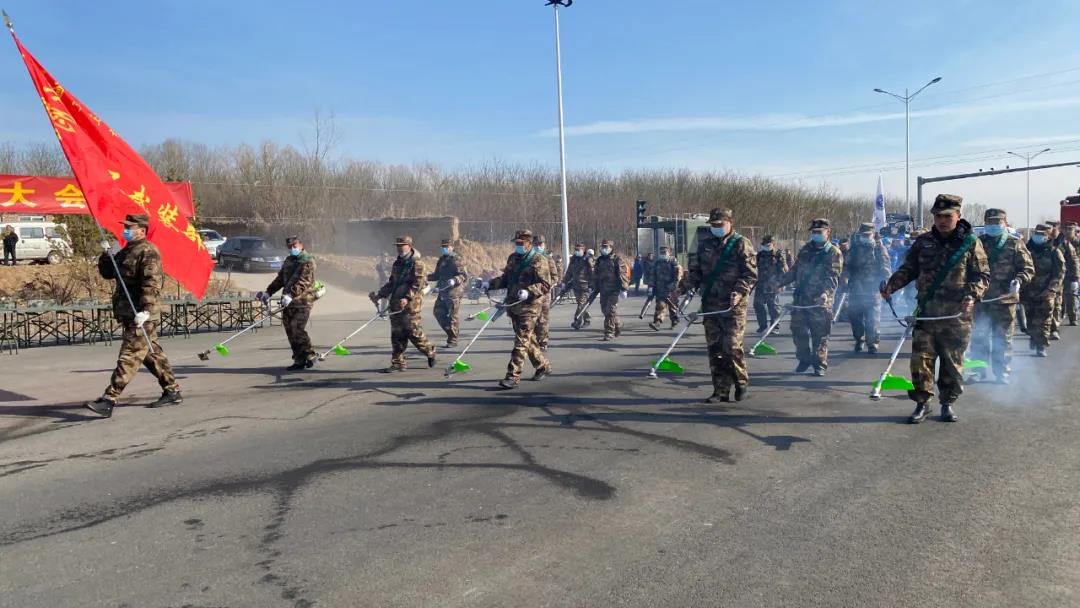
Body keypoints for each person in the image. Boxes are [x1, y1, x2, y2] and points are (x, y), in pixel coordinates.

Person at [881, 194, 989, 424]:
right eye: (938, 216)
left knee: (952, 365)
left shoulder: (970, 243)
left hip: (956, 316)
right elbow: (909, 269)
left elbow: (981, 275)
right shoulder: (924, 242)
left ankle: (947, 403)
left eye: (947, 216)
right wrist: (891, 285)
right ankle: (922, 403)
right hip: (926, 314)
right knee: (920, 361)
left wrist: (972, 295)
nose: (942, 220)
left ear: (958, 216)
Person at [84, 214, 181, 417]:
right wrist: (106, 254)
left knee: (129, 355)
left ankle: (109, 398)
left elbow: (151, 283)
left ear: (141, 230)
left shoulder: (148, 251)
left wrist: (146, 310)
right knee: (151, 354)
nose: (125, 230)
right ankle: (172, 389)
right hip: (129, 312)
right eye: (125, 227)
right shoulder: (126, 250)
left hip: (142, 313)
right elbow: (108, 273)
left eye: (130, 227)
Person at [682, 207, 757, 402]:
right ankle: (720, 390)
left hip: (733, 306)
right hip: (711, 304)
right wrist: (681, 289)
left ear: (729, 223)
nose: (716, 227)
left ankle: (741, 381)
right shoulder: (705, 244)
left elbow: (750, 274)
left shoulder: (741, 243)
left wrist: (739, 292)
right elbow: (695, 272)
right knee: (715, 349)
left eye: (719, 224)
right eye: (713, 225)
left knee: (731, 346)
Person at [969, 209, 1032, 383]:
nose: (993, 225)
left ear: (1005, 223)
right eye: (990, 222)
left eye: (997, 222)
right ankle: (978, 370)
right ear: (985, 223)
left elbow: (1027, 268)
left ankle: (1002, 372)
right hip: (981, 299)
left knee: (1003, 338)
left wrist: (1019, 280)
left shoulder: (1015, 243)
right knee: (979, 336)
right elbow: (967, 268)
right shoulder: (977, 243)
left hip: (1005, 300)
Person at [778, 219, 844, 376]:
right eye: (814, 232)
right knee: (798, 330)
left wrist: (825, 294)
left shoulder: (833, 252)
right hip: (801, 299)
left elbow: (833, 276)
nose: (816, 234)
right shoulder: (806, 249)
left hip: (819, 301)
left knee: (819, 334)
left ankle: (819, 363)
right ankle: (804, 358)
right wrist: (779, 282)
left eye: (819, 232)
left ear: (828, 232)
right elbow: (795, 270)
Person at [486, 230, 552, 389]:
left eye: (521, 243)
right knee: (528, 340)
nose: (518, 246)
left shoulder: (539, 260)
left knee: (521, 341)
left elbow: (545, 284)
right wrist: (490, 284)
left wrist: (529, 291)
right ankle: (542, 365)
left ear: (529, 243)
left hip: (530, 306)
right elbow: (506, 279)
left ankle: (513, 376)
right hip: (514, 305)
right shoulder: (513, 258)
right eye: (516, 243)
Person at [369, 235, 436, 373]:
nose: (399, 248)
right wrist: (380, 295)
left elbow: (418, 285)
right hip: (396, 303)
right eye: (398, 246)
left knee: (413, 332)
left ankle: (430, 351)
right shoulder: (397, 263)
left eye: (402, 245)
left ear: (409, 246)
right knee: (397, 334)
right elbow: (392, 283)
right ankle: (398, 363)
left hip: (411, 305)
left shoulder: (417, 264)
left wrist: (407, 298)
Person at [257, 236, 318, 371]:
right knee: (290, 330)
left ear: (301, 245)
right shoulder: (289, 260)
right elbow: (280, 279)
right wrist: (268, 292)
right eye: (289, 247)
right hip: (287, 301)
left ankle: (309, 354)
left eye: (294, 246)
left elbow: (304, 281)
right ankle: (299, 359)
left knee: (297, 328)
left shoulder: (308, 260)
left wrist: (291, 294)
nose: (292, 249)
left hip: (302, 301)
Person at [841, 223, 891, 354]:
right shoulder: (854, 249)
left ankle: (872, 343)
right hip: (856, 289)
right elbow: (846, 265)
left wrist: (886, 284)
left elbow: (886, 268)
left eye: (868, 235)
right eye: (863, 235)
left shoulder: (879, 249)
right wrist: (845, 277)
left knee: (872, 320)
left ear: (873, 234)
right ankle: (859, 339)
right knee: (855, 318)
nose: (865, 237)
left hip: (873, 290)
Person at [1022, 224, 1065, 358]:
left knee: (1044, 320)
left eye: (1042, 235)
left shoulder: (1054, 252)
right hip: (1028, 291)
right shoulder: (1025, 250)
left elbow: (1059, 273)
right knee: (1030, 318)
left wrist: (1051, 289)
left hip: (1046, 292)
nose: (1038, 237)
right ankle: (1033, 338)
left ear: (1048, 237)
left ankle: (1041, 345)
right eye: (1037, 234)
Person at [427, 238, 466, 348]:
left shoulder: (456, 259)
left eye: (447, 247)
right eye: (443, 247)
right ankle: (450, 333)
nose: (444, 248)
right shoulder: (441, 260)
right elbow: (436, 275)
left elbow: (463, 275)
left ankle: (453, 339)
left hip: (454, 292)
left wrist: (454, 280)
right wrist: (425, 277)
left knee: (452, 316)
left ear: (452, 247)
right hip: (443, 291)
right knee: (438, 312)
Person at [590, 239, 630, 341]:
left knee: (610, 311)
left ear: (611, 248)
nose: (604, 249)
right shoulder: (600, 260)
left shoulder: (617, 259)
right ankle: (618, 323)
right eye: (603, 247)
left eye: (606, 247)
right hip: (603, 290)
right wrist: (593, 286)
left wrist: (624, 288)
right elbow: (595, 274)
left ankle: (609, 332)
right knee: (604, 310)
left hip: (614, 290)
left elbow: (622, 274)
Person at [754, 235, 788, 334]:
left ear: (773, 244)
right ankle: (762, 325)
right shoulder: (759, 255)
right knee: (757, 304)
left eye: (768, 244)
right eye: (764, 244)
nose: (766, 246)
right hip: (760, 284)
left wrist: (781, 283)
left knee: (773, 307)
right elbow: (754, 268)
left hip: (773, 284)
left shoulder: (778, 255)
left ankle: (775, 327)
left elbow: (783, 270)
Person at [533, 234, 560, 350]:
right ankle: (534, 341)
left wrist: (548, 286)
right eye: (536, 244)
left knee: (543, 319)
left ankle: (543, 341)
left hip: (544, 294)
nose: (538, 246)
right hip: (532, 294)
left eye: (540, 244)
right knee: (533, 318)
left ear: (544, 245)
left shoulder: (548, 258)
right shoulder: (529, 258)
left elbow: (555, 276)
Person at [648, 246, 682, 330]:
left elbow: (678, 274)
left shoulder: (673, 261)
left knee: (672, 307)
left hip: (671, 289)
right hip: (660, 289)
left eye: (664, 252)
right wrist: (651, 286)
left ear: (669, 253)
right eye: (661, 252)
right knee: (660, 306)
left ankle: (674, 320)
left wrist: (674, 285)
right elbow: (652, 275)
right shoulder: (657, 262)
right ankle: (657, 322)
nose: (663, 254)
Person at [562, 242, 593, 330]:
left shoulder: (587, 259)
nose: (576, 251)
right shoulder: (574, 259)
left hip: (585, 287)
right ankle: (587, 319)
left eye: (578, 250)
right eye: (575, 249)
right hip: (576, 286)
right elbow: (569, 272)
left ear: (583, 250)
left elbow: (592, 273)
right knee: (582, 304)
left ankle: (577, 322)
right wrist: (564, 282)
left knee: (581, 305)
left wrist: (592, 285)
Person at [1058, 221, 1080, 326]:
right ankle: (1060, 316)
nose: (1068, 231)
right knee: (1059, 296)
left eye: (1070, 229)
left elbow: (1076, 261)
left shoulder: (1078, 243)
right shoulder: (1060, 242)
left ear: (1075, 231)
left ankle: (1073, 317)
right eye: (1066, 229)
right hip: (1060, 273)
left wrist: (1076, 277)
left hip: (1074, 273)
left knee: (1072, 296)